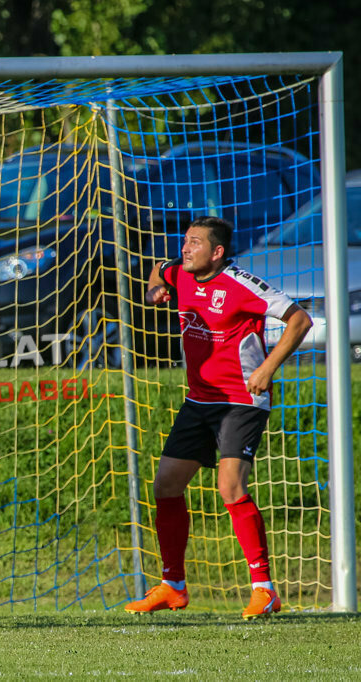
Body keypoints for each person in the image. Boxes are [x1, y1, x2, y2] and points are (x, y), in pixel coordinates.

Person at [126, 216, 313, 619]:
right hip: (199, 401)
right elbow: (159, 268)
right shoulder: (181, 273)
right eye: (185, 241)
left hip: (240, 401)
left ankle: (264, 590)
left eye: (195, 243)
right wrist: (155, 286)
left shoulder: (242, 285)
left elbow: (300, 320)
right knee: (166, 486)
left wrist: (267, 370)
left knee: (230, 487)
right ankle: (173, 586)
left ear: (217, 252)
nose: (185, 248)